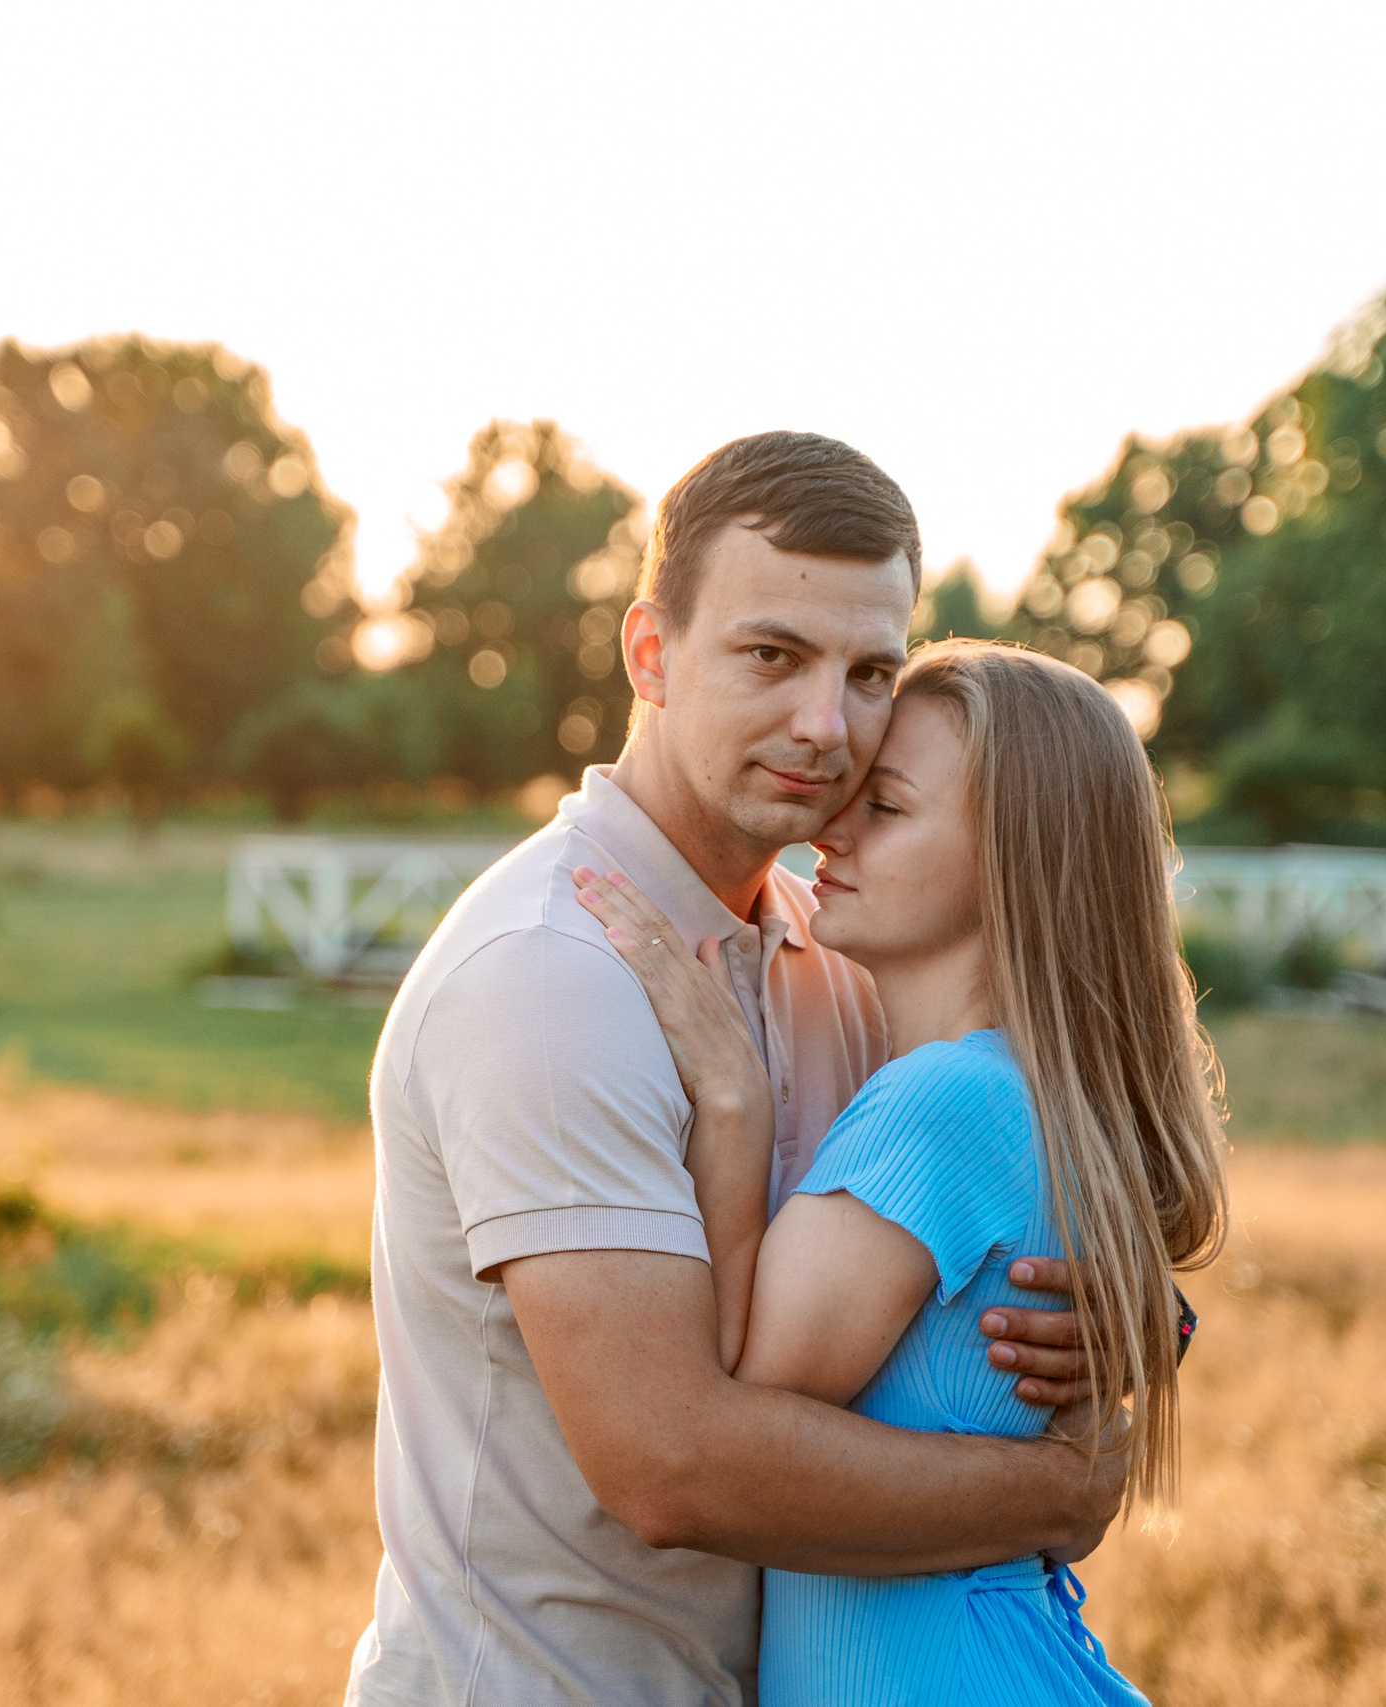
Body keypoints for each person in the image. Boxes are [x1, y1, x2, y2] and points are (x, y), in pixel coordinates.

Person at [347, 434, 1137, 1706]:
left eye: (870, 672)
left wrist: (1096, 1329)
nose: (828, 728)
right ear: (650, 655)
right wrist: (1065, 1485)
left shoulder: (835, 954)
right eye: (771, 656)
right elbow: (673, 1468)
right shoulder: (553, 976)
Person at [574, 639, 1230, 1703]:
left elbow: (737, 1402)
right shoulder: (1016, 1088)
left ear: (1011, 860)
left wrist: (732, 1108)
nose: (831, 829)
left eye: (883, 808)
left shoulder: (942, 1102)